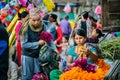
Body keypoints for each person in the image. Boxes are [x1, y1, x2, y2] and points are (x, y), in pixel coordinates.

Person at [20, 8, 57, 80]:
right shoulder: (25, 28)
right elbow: (24, 44)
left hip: (38, 57)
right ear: (30, 18)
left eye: (38, 20)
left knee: (38, 76)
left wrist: (54, 49)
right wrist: (37, 43)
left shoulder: (43, 26)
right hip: (27, 57)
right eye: (34, 20)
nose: (36, 22)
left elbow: (49, 39)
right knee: (27, 77)